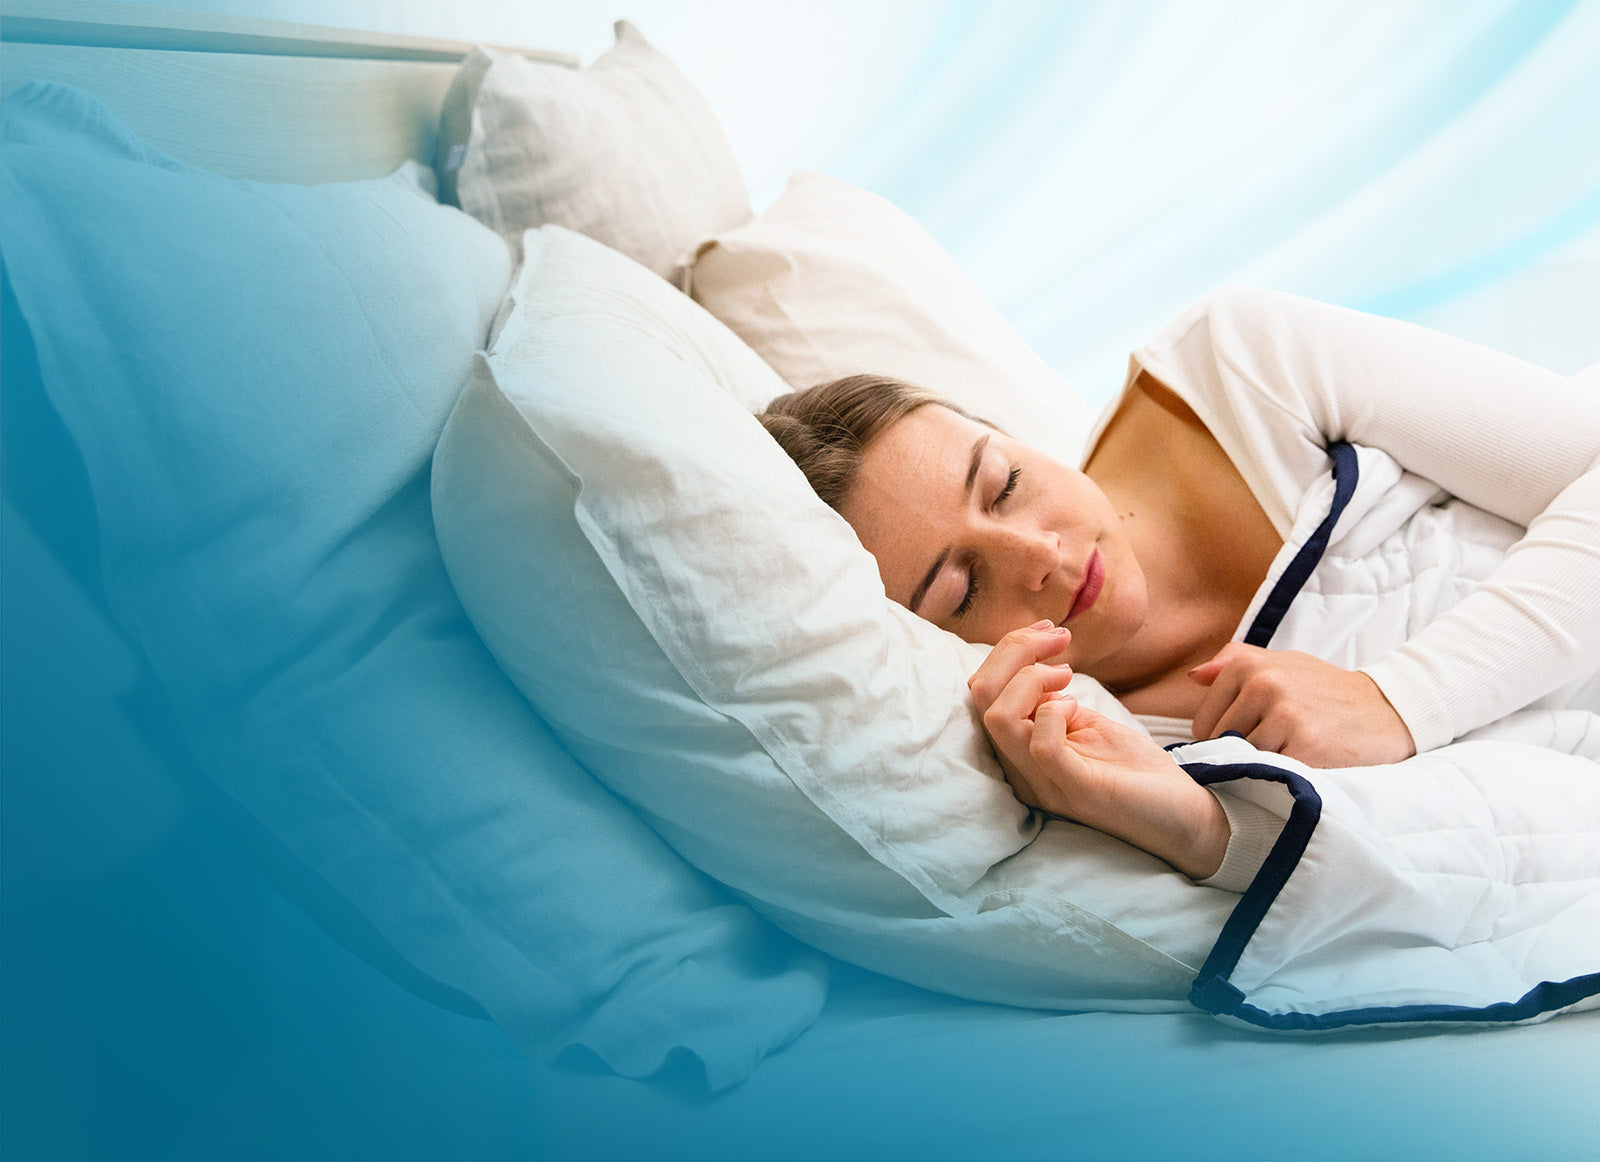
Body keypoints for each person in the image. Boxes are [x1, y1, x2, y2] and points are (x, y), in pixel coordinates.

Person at [758, 287, 1600, 884]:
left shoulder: (1235, 366)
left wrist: (1401, 698)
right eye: (961, 592)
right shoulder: (1078, 749)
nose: (1036, 555)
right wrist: (1203, 832)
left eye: (1005, 482)